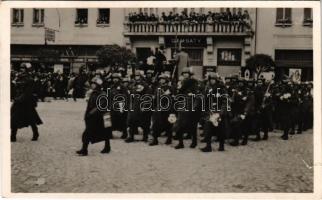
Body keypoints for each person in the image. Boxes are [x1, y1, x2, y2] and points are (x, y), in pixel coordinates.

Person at [76, 77, 111, 156]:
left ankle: (107, 147)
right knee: (88, 133)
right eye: (92, 83)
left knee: (106, 133)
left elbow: (100, 106)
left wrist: (91, 113)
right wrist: (87, 114)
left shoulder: (103, 94)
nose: (92, 85)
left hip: (103, 116)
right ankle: (84, 149)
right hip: (96, 116)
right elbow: (90, 106)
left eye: (94, 84)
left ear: (98, 85)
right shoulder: (93, 93)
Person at [11, 63, 42, 142]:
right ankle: (13, 136)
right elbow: (15, 89)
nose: (22, 70)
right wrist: (14, 83)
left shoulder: (29, 79)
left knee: (31, 118)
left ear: (27, 70)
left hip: (27, 102)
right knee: (14, 118)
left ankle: (35, 133)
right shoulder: (18, 77)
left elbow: (28, 92)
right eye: (21, 68)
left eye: (23, 68)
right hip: (18, 100)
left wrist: (20, 99)